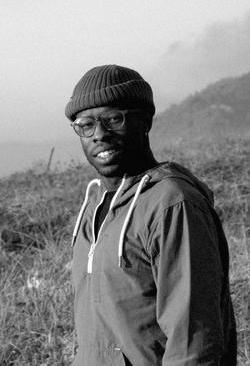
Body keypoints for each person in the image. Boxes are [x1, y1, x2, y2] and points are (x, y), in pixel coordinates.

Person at [65, 64, 237, 366]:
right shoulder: (95, 205)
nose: (99, 135)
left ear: (144, 121)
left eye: (113, 119)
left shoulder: (172, 203)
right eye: (86, 125)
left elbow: (193, 339)